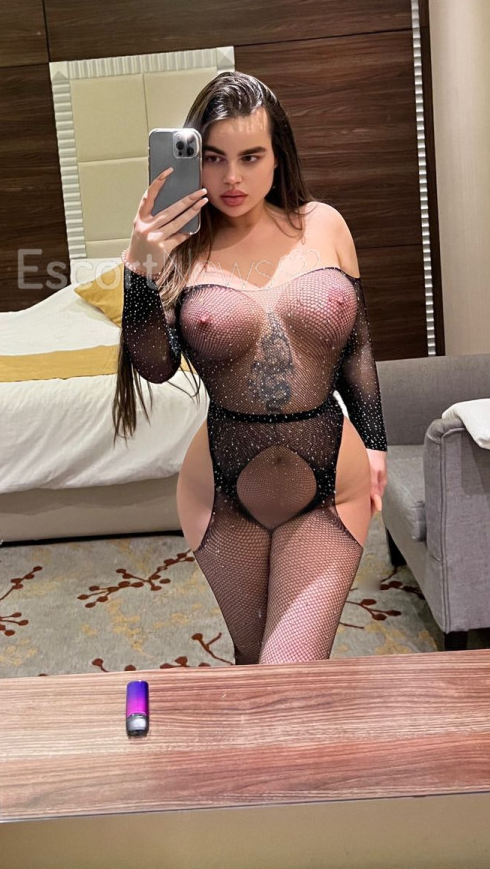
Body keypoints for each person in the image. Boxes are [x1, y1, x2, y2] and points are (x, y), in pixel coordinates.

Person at [112, 71, 388, 664]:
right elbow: (156, 367)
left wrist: (377, 442)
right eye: (213, 158)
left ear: (278, 156)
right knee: (250, 665)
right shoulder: (180, 248)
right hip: (220, 495)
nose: (231, 178)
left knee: (287, 673)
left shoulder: (325, 225)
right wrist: (139, 273)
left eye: (250, 156)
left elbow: (357, 345)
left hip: (330, 488)